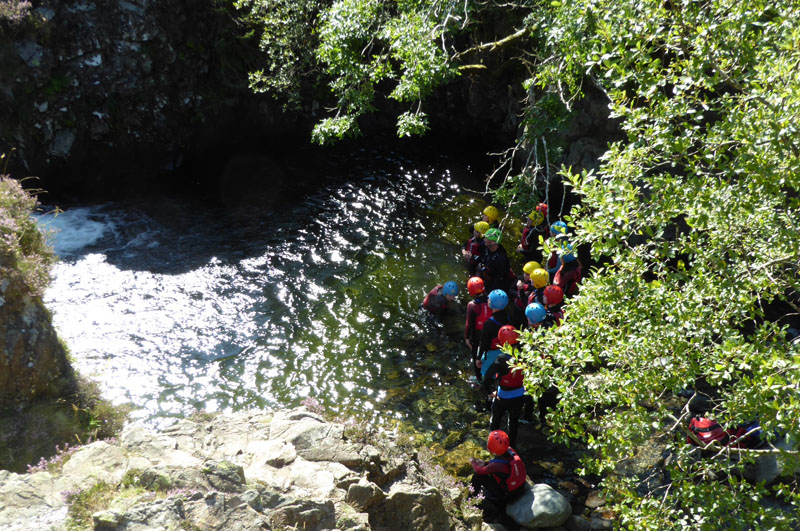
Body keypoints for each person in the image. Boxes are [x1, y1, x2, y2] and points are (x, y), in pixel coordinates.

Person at [469, 430, 527, 522]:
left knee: (477, 476)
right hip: (520, 488)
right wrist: (485, 463)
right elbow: (500, 465)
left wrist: (473, 461)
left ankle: (471, 497)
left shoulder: (496, 465)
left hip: (507, 495)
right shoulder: (510, 450)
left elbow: (480, 470)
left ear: (491, 448)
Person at [483, 325, 526, 448]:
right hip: (520, 396)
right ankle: (511, 446)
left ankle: (493, 444)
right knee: (513, 423)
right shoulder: (526, 356)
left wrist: (490, 392)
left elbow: (486, 379)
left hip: (502, 397)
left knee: (495, 421)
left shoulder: (501, 359)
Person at [477, 289, 510, 381]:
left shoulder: (488, 323)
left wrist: (478, 358)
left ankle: (484, 383)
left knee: (486, 372)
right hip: (504, 350)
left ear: (492, 303)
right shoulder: (508, 316)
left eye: (489, 299)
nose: (487, 300)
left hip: (491, 352)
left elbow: (483, 342)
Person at [465, 277, 492, 379]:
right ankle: (490, 374)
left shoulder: (472, 305)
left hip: (478, 335)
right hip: (490, 332)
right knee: (488, 353)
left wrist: (467, 338)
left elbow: (469, 325)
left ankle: (478, 378)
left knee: (477, 356)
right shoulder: (491, 300)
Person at [478, 228, 512, 294]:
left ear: (492, 242)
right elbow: (482, 262)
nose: (484, 239)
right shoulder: (487, 249)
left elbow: (499, 280)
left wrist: (489, 293)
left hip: (497, 285)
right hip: (488, 276)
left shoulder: (501, 259)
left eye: (486, 238)